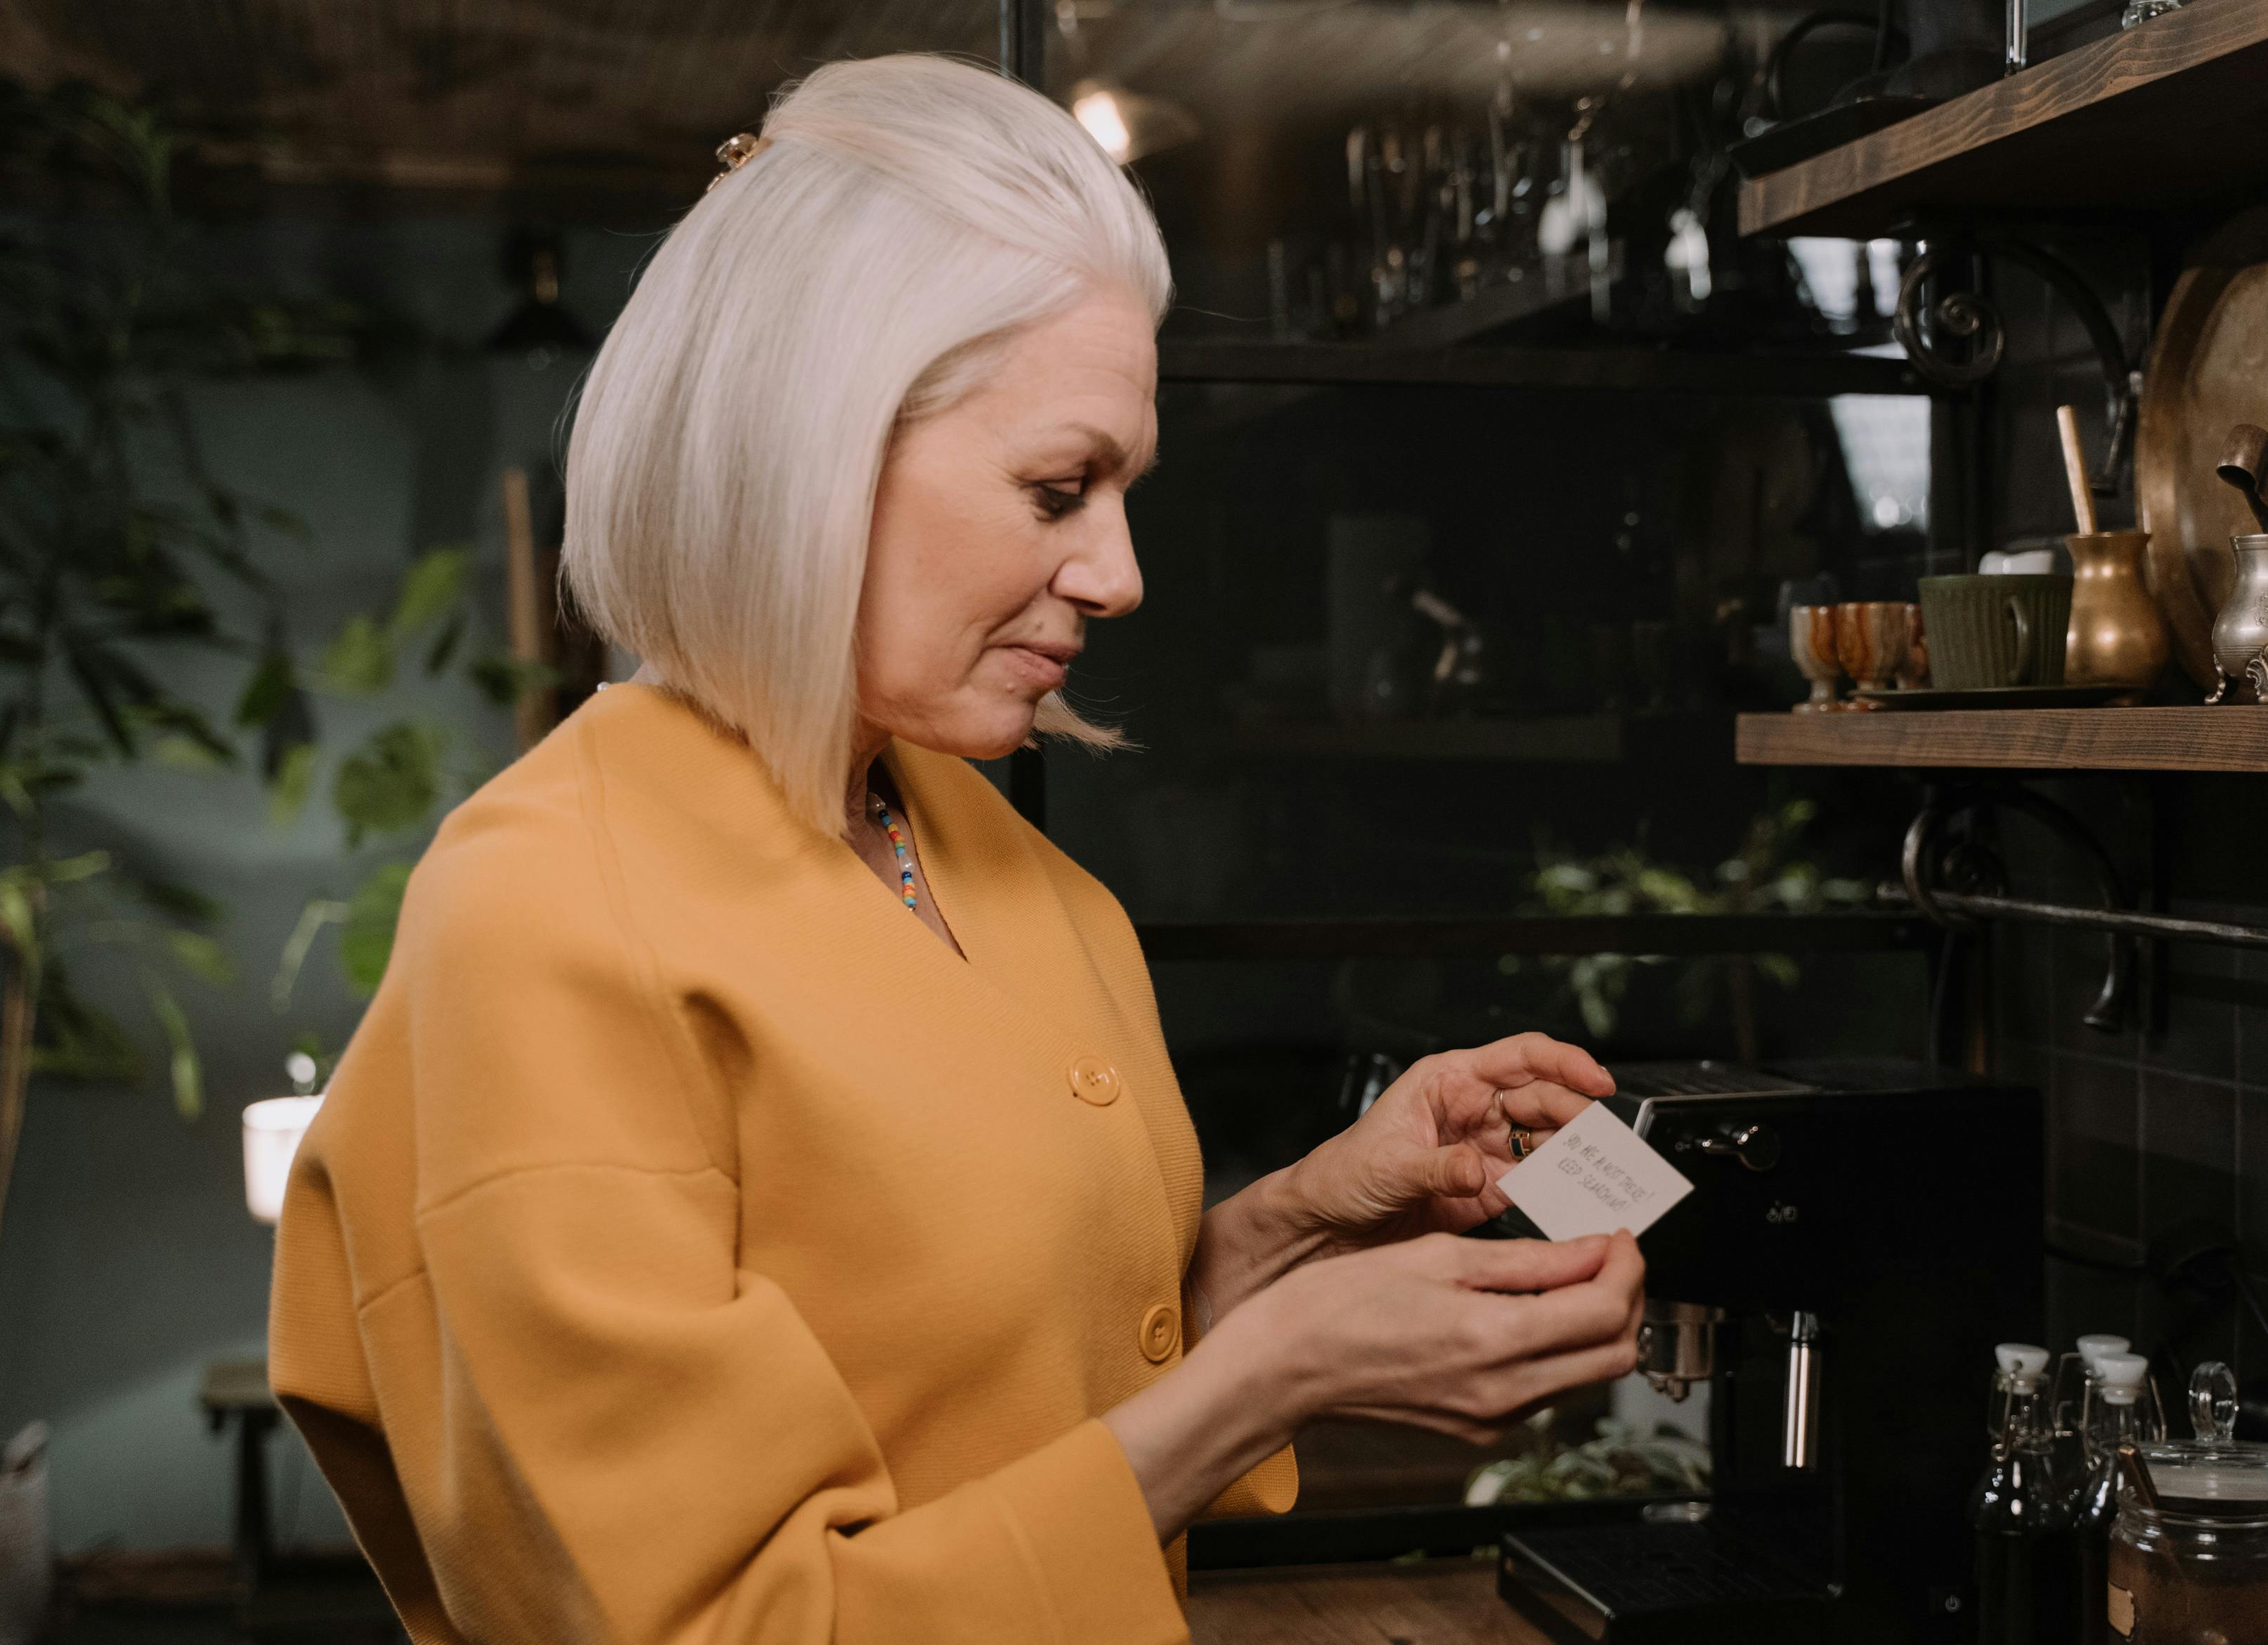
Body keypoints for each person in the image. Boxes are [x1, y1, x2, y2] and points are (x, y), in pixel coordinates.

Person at [268, 52, 1643, 1645]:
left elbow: (1008, 1386)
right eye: (1058, 486)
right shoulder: (545, 913)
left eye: (1119, 491)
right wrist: (1288, 1369)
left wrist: (1296, 1230)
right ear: (813, 447)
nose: (1118, 573)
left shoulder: (980, 851)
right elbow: (719, 1626)